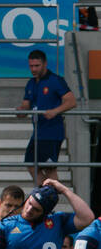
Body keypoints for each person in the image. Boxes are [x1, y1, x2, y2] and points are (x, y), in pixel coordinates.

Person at [18, 49, 76, 184]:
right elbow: (25, 106)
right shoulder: (31, 83)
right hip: (38, 133)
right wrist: (20, 111)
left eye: (37, 66)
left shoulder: (55, 80)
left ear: (45, 64)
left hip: (52, 132)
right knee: (31, 164)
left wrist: (55, 111)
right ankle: (47, 196)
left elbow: (71, 101)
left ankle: (50, 197)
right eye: (31, 66)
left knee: (49, 169)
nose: (33, 69)